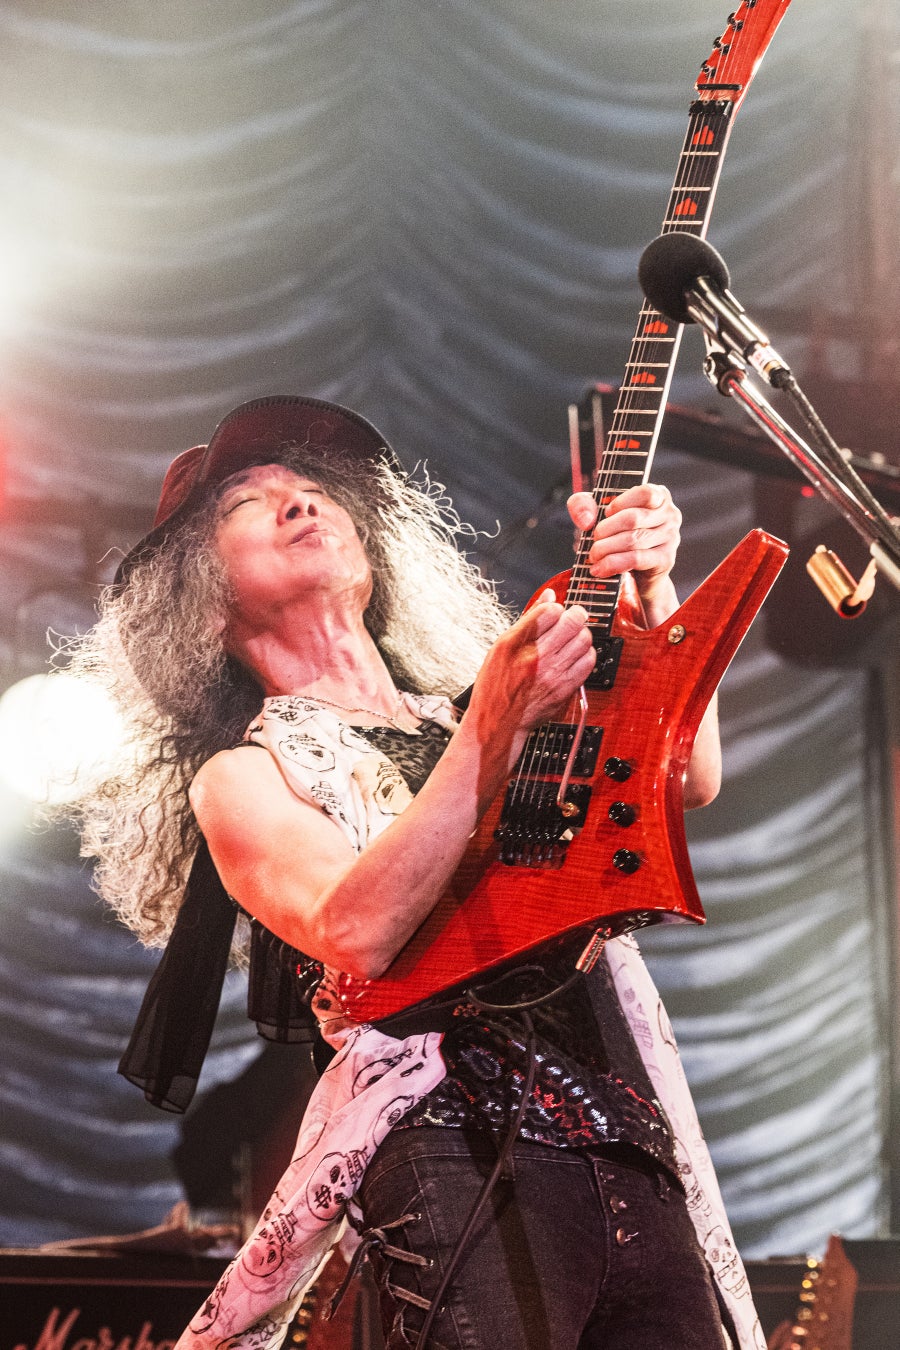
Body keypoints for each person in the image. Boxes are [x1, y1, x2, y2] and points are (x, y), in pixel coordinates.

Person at [68, 394, 764, 1350]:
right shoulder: (243, 777)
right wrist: (493, 729)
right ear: (204, 599)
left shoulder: (485, 709)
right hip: (454, 1152)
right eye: (248, 505)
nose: (300, 502)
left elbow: (683, 778)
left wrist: (651, 590)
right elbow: (354, 930)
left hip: (631, 1134)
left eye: (314, 489)